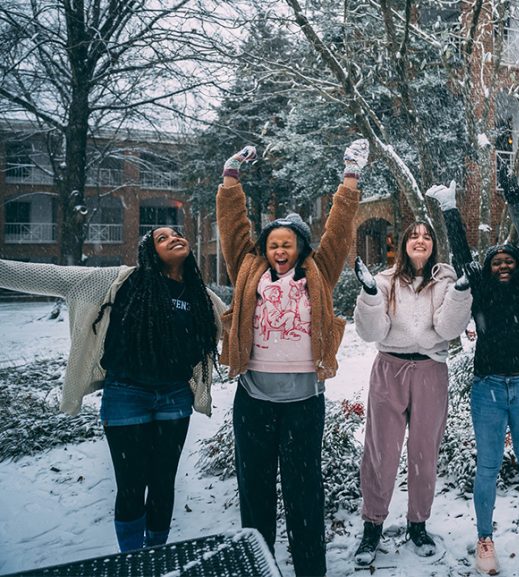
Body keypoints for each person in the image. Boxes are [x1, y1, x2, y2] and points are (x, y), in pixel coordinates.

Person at [0, 229, 223, 553]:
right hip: (126, 395)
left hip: (174, 395)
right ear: (149, 252)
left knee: (162, 484)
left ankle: (155, 557)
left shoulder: (200, 295)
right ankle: (132, 562)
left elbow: (238, 325)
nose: (174, 237)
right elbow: (45, 276)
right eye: (162, 238)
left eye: (176, 233)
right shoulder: (119, 282)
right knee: (131, 487)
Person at [217, 141, 365, 577]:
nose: (280, 250)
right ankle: (256, 565)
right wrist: (230, 179)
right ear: (265, 248)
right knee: (255, 492)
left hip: (304, 401)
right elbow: (231, 227)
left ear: (301, 248)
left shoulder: (319, 272)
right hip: (253, 398)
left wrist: (351, 177)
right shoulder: (247, 269)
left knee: (304, 492)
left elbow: (339, 228)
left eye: (288, 243)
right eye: (273, 243)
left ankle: (309, 569)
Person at [424, 168, 519, 575]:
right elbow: (465, 260)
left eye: (509, 260)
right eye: (496, 261)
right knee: (487, 466)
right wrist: (449, 208)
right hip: (487, 391)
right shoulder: (481, 291)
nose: (502, 265)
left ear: (518, 266)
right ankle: (485, 538)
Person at [351, 216, 473, 567]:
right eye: (413, 236)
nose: (420, 241)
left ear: (434, 245)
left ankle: (417, 523)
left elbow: (448, 327)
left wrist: (461, 291)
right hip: (390, 368)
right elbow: (371, 331)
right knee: (380, 452)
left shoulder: (445, 280)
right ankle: (373, 525)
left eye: (426, 237)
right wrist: (371, 295)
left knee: (424, 452)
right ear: (404, 243)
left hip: (431, 371)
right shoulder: (386, 281)